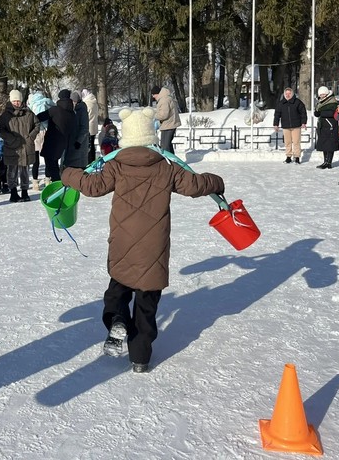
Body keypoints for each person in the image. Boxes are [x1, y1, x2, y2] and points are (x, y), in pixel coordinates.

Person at [61, 108, 224, 373]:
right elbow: (194, 185)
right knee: (146, 305)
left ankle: (117, 319)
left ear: (126, 137)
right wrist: (216, 182)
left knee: (117, 290)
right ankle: (140, 358)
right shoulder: (166, 167)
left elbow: (92, 186)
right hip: (153, 249)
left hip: (123, 244)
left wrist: (68, 174)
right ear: (151, 136)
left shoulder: (116, 165)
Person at [0, 89, 39, 202]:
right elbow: (0, 129)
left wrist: (31, 137)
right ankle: (13, 192)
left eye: (18, 101)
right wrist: (10, 139)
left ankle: (25, 192)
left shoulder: (28, 113)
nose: (16, 103)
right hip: (12, 147)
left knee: (25, 171)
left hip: (26, 146)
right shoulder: (5, 115)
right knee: (12, 171)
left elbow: (37, 125)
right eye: (14, 101)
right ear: (11, 101)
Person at [36, 89, 75, 185]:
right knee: (56, 164)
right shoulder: (72, 112)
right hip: (65, 142)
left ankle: (57, 185)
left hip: (52, 140)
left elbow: (39, 117)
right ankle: (58, 182)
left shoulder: (55, 110)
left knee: (51, 166)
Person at [27, 91, 55, 190]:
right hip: (46, 131)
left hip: (36, 132)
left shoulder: (31, 105)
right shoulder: (47, 102)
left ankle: (35, 182)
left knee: (35, 159)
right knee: (47, 157)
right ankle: (48, 179)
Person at [273, 87, 308, 164]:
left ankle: (297, 157)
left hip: (296, 126)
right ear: (284, 94)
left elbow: (303, 113)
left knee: (296, 142)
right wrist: (276, 124)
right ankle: (288, 157)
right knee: (287, 142)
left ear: (292, 94)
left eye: (289, 93)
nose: (288, 95)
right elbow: (277, 115)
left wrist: (303, 122)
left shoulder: (297, 102)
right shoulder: (281, 103)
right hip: (286, 126)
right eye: (286, 94)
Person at [63, 91, 90, 169]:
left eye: (74, 101)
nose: (73, 103)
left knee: (79, 166)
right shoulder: (73, 110)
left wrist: (79, 141)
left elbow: (85, 128)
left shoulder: (82, 110)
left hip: (80, 144)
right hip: (72, 143)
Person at [313, 87, 339, 169]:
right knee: (324, 144)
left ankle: (329, 162)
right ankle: (325, 161)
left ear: (327, 94)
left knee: (330, 144)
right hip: (323, 125)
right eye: (320, 95)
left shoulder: (333, 102)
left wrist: (321, 113)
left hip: (331, 125)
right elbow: (317, 113)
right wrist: (317, 113)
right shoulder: (320, 103)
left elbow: (332, 113)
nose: (322, 96)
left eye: (323, 94)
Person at [151, 86, 181, 153]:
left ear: (157, 93)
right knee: (168, 145)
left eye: (153, 95)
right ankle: (171, 158)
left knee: (165, 146)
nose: (153, 97)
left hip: (169, 125)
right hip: (169, 124)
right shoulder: (166, 98)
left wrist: (154, 115)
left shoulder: (164, 100)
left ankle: (167, 159)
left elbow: (163, 115)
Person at [82, 88, 99, 163]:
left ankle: (89, 161)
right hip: (94, 126)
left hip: (88, 127)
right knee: (92, 144)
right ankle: (92, 160)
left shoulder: (87, 103)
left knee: (88, 146)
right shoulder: (94, 102)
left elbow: (86, 116)